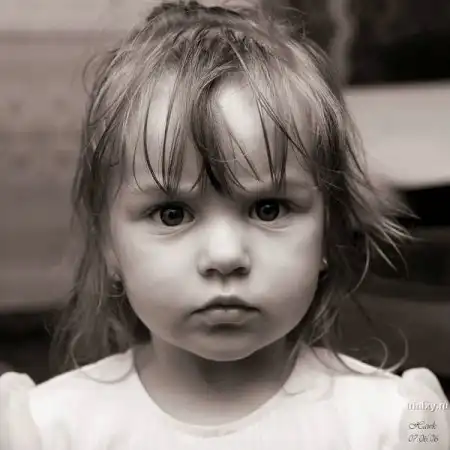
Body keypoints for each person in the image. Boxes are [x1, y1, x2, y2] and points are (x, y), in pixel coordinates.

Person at [1, 1, 449, 449]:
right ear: (108, 244)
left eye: (268, 209)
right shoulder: (47, 430)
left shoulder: (397, 425)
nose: (225, 255)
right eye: (172, 213)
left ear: (327, 234)